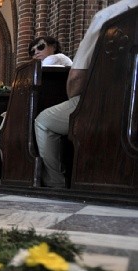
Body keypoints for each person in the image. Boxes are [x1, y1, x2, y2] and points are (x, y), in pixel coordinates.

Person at [34, 0, 138, 188]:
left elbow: (76, 78)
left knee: (43, 121)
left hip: (107, 104)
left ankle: (56, 185)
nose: (35, 52)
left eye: (40, 48)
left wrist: (75, 99)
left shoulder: (109, 17)